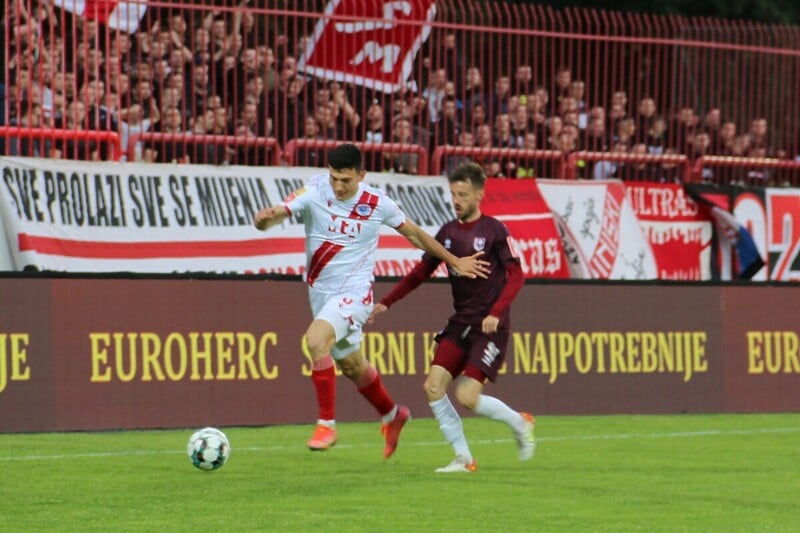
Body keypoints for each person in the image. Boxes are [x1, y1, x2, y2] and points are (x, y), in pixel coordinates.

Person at [253, 144, 489, 458]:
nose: (338, 186)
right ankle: (393, 416)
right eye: (334, 177)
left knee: (315, 340)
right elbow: (277, 215)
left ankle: (326, 424)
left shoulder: (377, 203)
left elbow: (416, 235)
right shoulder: (314, 190)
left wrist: (454, 261)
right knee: (352, 366)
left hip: (355, 295)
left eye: (346, 180)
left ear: (361, 175)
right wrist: (264, 220)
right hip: (320, 293)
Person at [369, 162, 535, 473]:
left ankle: (519, 423)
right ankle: (463, 458)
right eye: (453, 194)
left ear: (478, 195)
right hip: (460, 323)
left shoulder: (495, 230)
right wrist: (387, 303)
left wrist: (497, 312)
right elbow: (420, 273)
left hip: (489, 326)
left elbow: (517, 276)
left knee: (467, 396)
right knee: (433, 387)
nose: (456, 200)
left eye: (462, 194)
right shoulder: (446, 233)